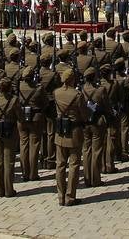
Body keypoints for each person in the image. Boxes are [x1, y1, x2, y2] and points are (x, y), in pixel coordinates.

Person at [52, 66, 87, 207]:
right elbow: (84, 114)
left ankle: (60, 195)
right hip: (74, 132)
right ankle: (70, 196)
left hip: (60, 132)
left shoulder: (56, 92)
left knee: (60, 165)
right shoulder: (77, 95)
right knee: (73, 165)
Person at [0, 77, 19, 197]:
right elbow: (20, 115)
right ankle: (8, 189)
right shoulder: (14, 100)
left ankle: (0, 189)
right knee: (9, 161)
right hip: (10, 131)